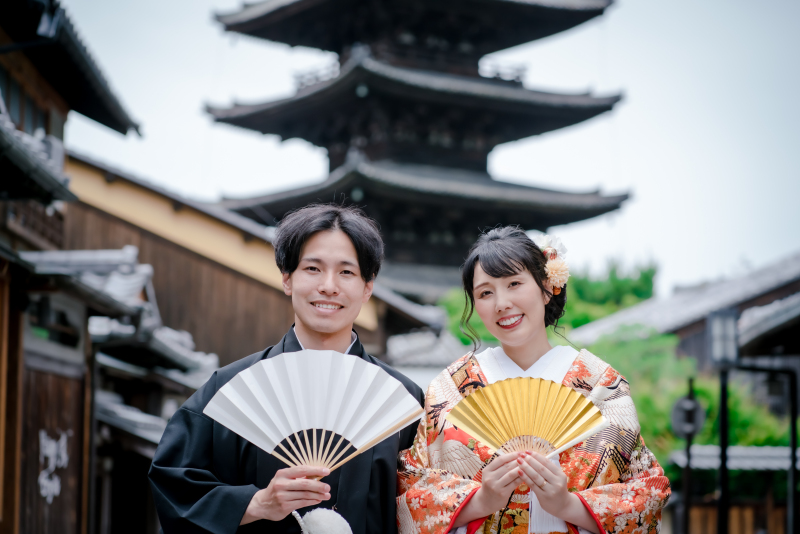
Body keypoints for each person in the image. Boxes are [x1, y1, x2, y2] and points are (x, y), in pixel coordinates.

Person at [149, 204, 424, 534]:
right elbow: (175, 487)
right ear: (287, 278)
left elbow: (427, 507)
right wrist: (256, 504)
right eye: (312, 268)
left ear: (367, 288)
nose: (328, 286)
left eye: (347, 272)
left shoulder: (402, 400)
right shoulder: (229, 390)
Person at [396, 227, 670, 534]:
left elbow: (647, 493)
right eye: (485, 293)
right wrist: (481, 501)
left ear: (546, 286)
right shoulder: (452, 388)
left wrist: (567, 505)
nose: (501, 303)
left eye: (514, 283)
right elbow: (410, 489)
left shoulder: (600, 385)